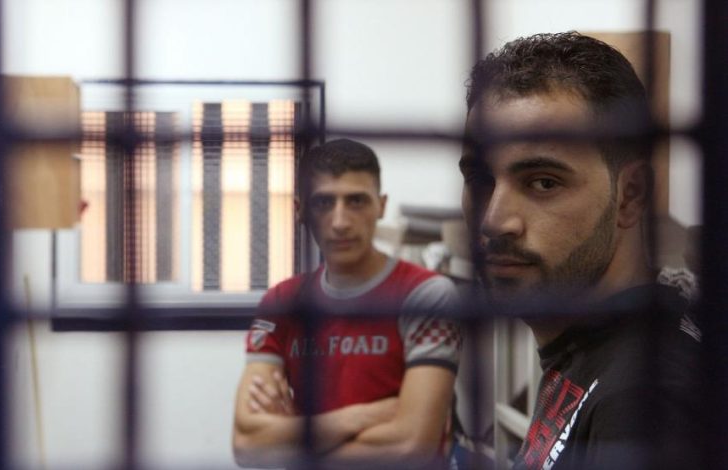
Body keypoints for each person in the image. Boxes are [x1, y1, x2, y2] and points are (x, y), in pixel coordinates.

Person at [459, 32, 703, 469]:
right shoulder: (588, 346)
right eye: (480, 180)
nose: (493, 220)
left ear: (630, 195)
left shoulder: (645, 403)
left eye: (543, 182)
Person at [233, 138, 462, 469]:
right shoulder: (282, 303)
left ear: (381, 206)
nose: (340, 221)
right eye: (324, 203)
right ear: (300, 210)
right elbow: (247, 444)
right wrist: (365, 416)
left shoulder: (425, 295)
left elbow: (412, 447)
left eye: (356, 201)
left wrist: (295, 434)